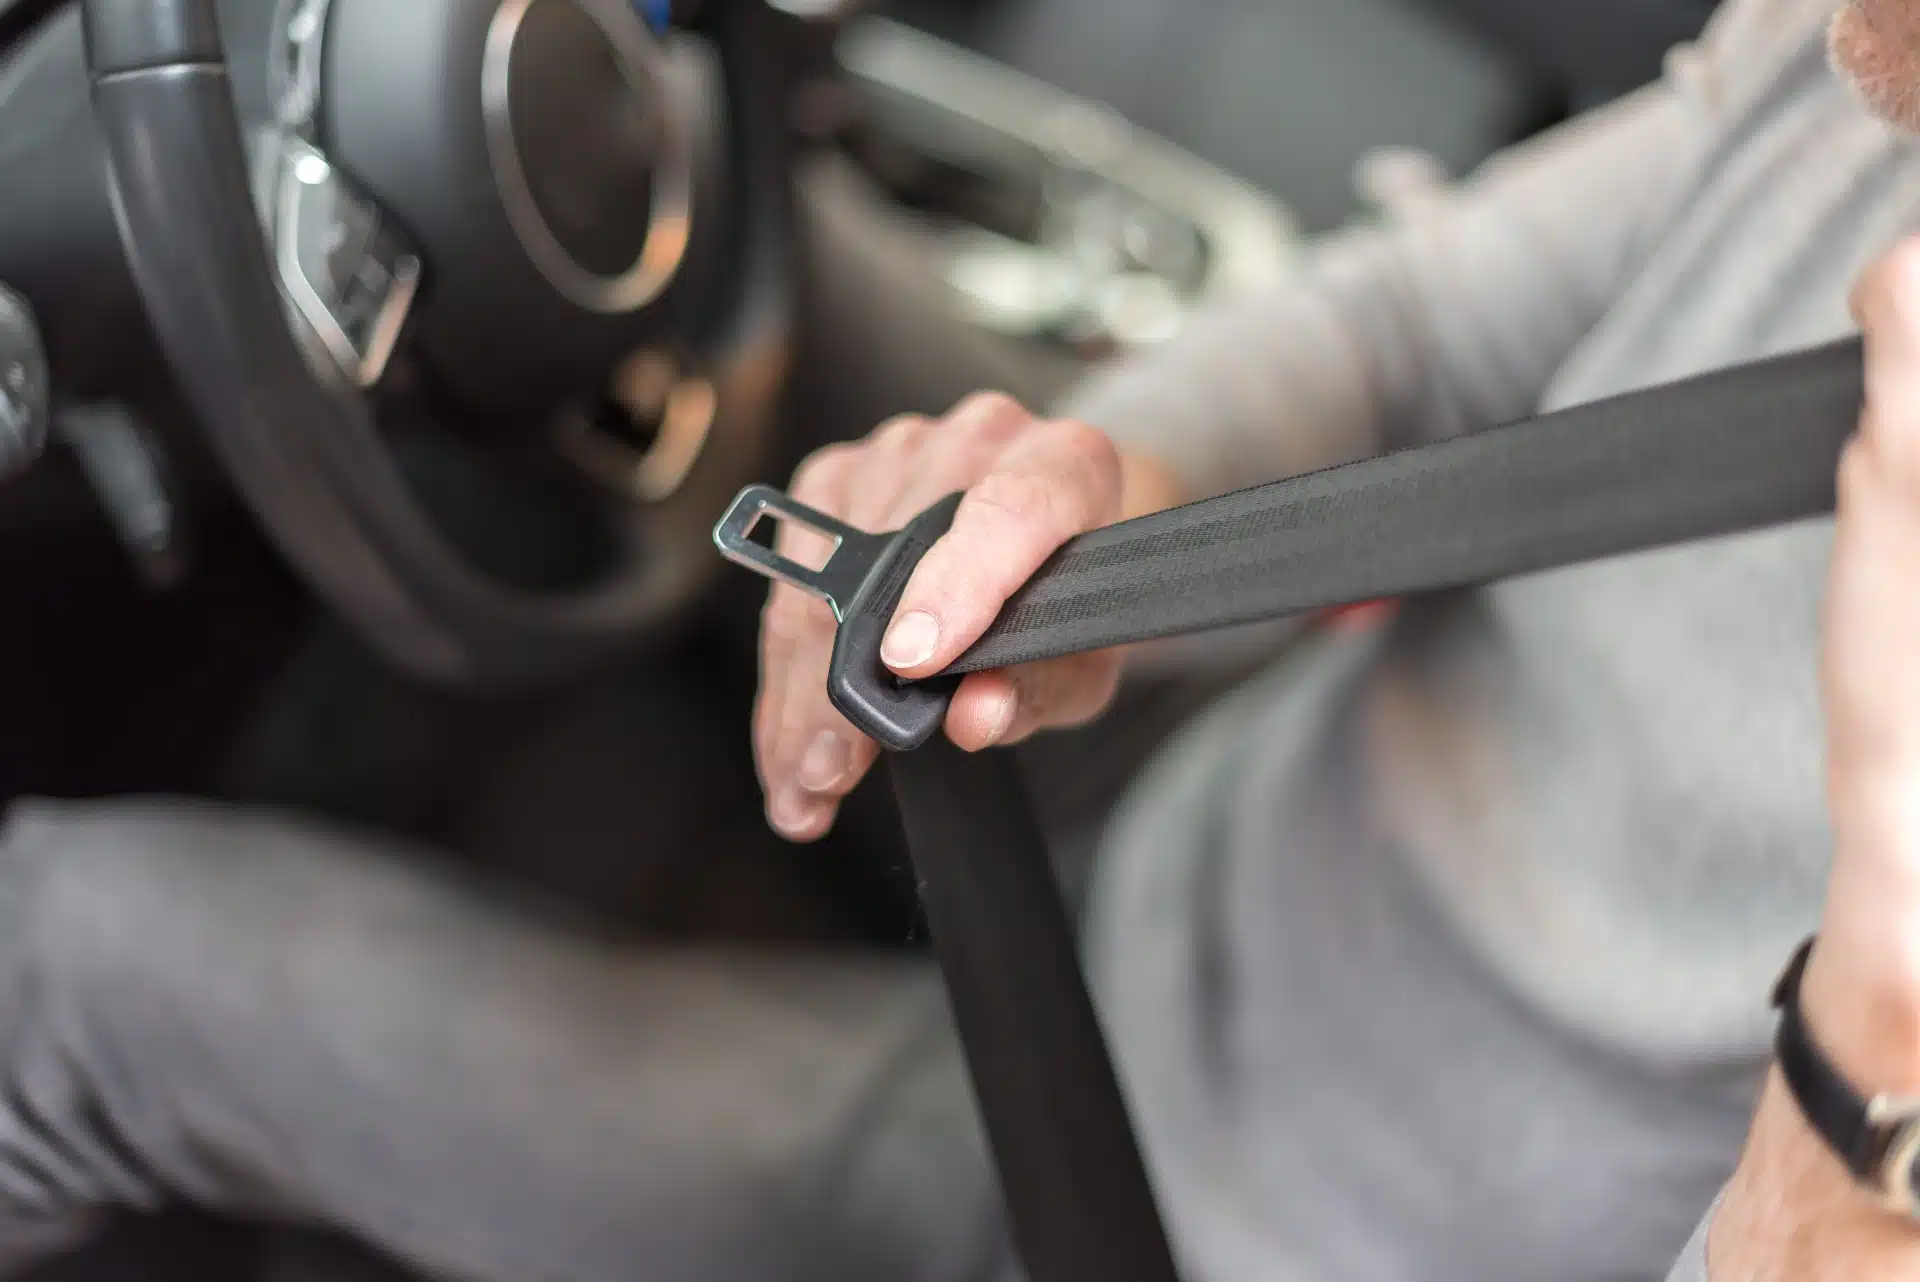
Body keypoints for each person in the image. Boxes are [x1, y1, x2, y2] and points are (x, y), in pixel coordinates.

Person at [0, 0, 1917, 1279]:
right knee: (671, 176)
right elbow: (1417, 329)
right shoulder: (1865, 74)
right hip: (1225, 778)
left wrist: (1862, 1084)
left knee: (72, 963)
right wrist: (1103, 488)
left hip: (1151, 1201)